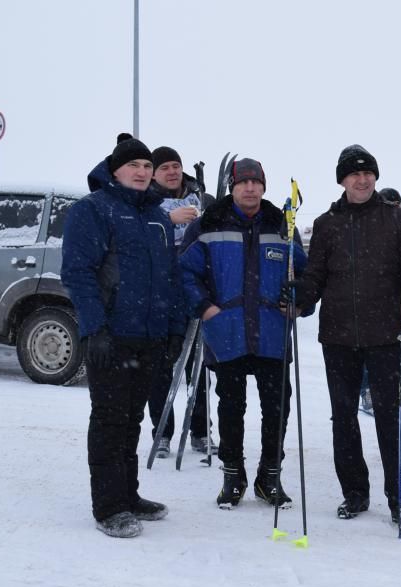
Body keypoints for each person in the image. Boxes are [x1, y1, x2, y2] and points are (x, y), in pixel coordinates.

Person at [61, 134, 186, 538]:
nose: (142, 172)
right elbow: (78, 273)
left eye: (147, 167)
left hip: (149, 337)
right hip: (111, 335)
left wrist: (173, 330)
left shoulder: (158, 219)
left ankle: (129, 496)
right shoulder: (93, 210)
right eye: (134, 165)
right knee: (109, 419)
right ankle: (108, 506)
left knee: (132, 419)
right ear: (115, 170)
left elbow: (170, 278)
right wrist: (94, 328)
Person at [290, 145, 401, 529]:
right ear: (342, 180)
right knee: (343, 418)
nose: (362, 180)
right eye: (354, 174)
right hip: (339, 337)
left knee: (390, 420)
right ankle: (355, 492)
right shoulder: (328, 224)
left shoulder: (395, 218)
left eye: (368, 174)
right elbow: (316, 276)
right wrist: (299, 295)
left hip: (385, 336)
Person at [179, 158, 310, 509]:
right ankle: (232, 476)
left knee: (277, 408)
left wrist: (298, 302)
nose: (250, 188)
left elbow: (306, 277)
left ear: (264, 187)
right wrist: (205, 308)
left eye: (256, 182)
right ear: (232, 187)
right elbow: (185, 273)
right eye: (243, 182)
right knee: (230, 407)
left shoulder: (284, 225)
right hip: (227, 332)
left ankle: (270, 477)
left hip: (272, 332)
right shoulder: (209, 223)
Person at [146, 145, 216, 458]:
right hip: (159, 294)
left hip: (194, 291)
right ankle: (162, 432)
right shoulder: (145, 202)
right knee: (160, 367)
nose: (172, 172)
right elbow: (137, 238)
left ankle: (201, 430)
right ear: (153, 173)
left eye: (176, 166)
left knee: (198, 367)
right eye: (165, 168)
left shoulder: (199, 198)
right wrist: (166, 219)